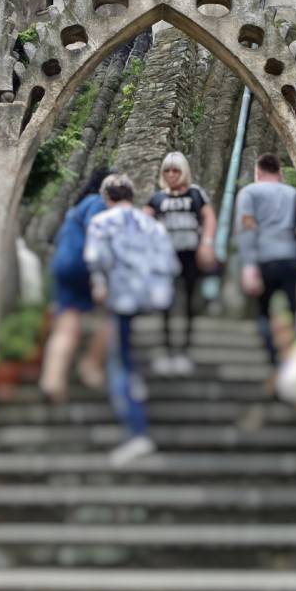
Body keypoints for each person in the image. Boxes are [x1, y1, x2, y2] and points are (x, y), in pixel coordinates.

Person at [84, 173, 180, 466]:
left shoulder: (101, 222)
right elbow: (169, 263)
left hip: (121, 297)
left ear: (106, 198)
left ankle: (137, 431)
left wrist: (100, 283)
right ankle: (136, 385)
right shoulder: (151, 224)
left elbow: (95, 258)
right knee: (126, 358)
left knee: (119, 362)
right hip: (153, 297)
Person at [40, 167, 114, 402]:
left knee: (66, 327)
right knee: (114, 316)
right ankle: (90, 365)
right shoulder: (98, 203)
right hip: (84, 266)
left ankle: (52, 381)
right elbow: (97, 232)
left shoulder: (76, 208)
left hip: (63, 266)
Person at [235, 153, 296, 374]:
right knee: (295, 310)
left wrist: (249, 265)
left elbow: (246, 228)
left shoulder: (249, 192)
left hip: (264, 260)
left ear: (257, 172)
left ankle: (273, 361)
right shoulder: (295, 194)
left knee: (263, 312)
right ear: (280, 173)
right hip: (292, 259)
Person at [144, 151, 217, 376]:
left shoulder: (196, 194)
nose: (172, 174)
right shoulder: (157, 198)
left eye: (176, 170)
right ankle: (167, 351)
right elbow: (143, 222)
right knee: (165, 303)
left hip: (190, 253)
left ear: (184, 171)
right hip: (165, 257)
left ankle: (184, 351)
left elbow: (209, 217)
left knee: (188, 301)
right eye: (167, 170)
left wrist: (206, 243)